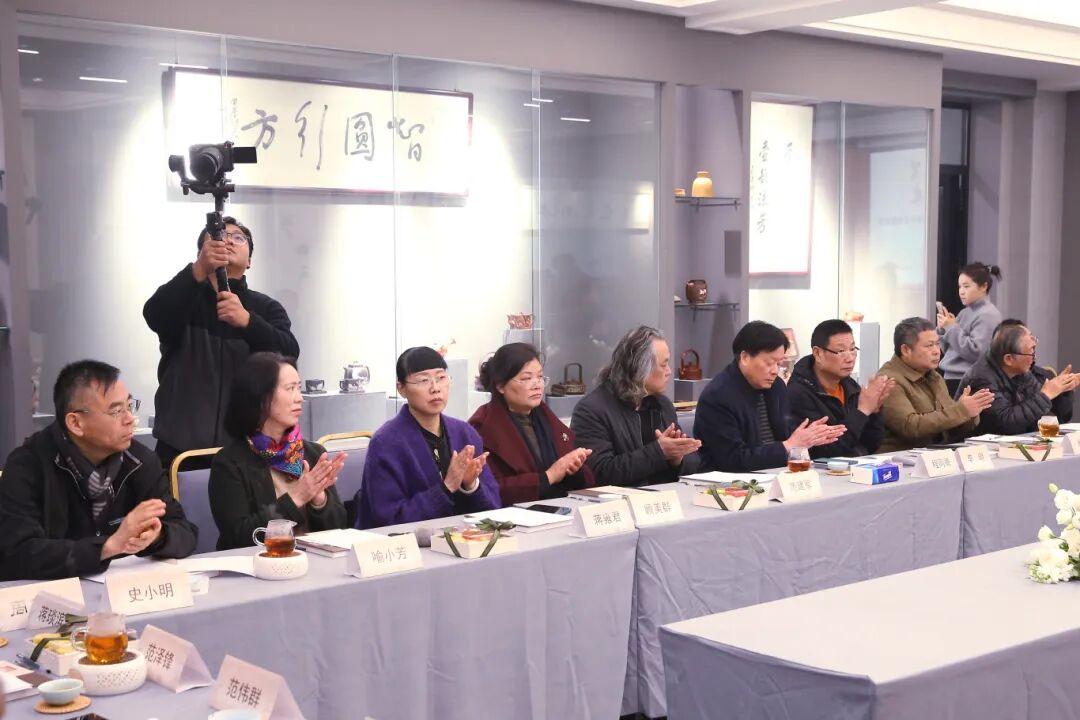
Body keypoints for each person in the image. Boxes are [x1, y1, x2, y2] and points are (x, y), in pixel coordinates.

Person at [0, 360, 197, 581]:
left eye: (130, 406)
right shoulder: (28, 465)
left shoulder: (139, 461)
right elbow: (19, 554)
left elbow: (186, 533)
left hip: (121, 590)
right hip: (51, 591)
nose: (130, 419)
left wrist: (158, 536)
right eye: (116, 411)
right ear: (76, 423)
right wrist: (107, 547)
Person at [143, 217, 300, 471]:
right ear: (202, 252)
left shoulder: (266, 308)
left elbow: (289, 352)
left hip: (249, 450)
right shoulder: (185, 300)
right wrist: (197, 270)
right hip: (180, 451)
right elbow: (154, 314)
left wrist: (248, 322)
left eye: (238, 237)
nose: (227, 240)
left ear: (249, 260)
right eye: (218, 236)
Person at [209, 353, 348, 550]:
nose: (299, 398)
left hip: (313, 561)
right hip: (259, 564)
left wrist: (319, 500)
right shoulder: (230, 462)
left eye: (299, 388)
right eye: (290, 389)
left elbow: (340, 529)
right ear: (261, 396)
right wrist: (296, 498)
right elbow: (238, 536)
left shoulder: (313, 453)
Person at [357, 347, 501, 529]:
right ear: (401, 389)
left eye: (441, 378)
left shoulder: (465, 433)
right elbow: (389, 519)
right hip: (407, 543)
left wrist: (471, 485)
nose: (435, 388)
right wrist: (446, 488)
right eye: (423, 380)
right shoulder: (385, 443)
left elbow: (494, 508)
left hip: (466, 540)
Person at [695, 321, 846, 471]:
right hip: (730, 481)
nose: (775, 371)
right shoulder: (717, 396)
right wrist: (790, 445)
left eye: (779, 364)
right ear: (745, 357)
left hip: (776, 473)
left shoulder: (777, 387)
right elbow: (733, 460)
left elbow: (787, 438)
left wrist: (809, 439)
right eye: (769, 363)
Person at [572, 326, 701, 486]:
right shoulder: (592, 411)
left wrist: (677, 459)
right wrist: (658, 452)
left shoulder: (662, 405)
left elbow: (695, 462)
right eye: (663, 365)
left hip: (665, 497)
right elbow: (598, 474)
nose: (669, 371)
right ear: (641, 368)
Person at [469, 343, 594, 505]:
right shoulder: (482, 427)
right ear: (500, 386)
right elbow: (490, 489)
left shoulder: (546, 416)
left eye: (540, 377)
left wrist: (574, 469)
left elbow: (581, 475)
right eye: (526, 378)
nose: (537, 385)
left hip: (561, 507)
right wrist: (549, 476)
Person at [878, 317, 993, 452]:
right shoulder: (889, 379)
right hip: (899, 457)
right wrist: (960, 410)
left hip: (935, 454)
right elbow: (910, 427)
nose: (937, 351)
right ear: (905, 350)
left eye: (937, 344)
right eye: (929, 346)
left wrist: (969, 413)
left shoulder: (934, 377)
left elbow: (948, 425)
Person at [787, 319, 896, 459]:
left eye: (852, 349)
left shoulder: (850, 386)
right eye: (841, 351)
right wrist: (862, 411)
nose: (850, 358)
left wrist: (874, 410)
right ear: (818, 353)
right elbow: (825, 451)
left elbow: (872, 443)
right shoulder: (799, 393)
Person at [955, 325, 1079, 436]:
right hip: (979, 449)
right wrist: (1045, 395)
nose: (1034, 358)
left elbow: (1060, 416)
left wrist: (1063, 390)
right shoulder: (981, 379)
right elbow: (1005, 424)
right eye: (1031, 352)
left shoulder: (1022, 372)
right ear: (1009, 359)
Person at [937, 262, 1003, 396]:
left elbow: (977, 353)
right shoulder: (965, 313)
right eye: (960, 286)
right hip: (952, 377)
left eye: (966, 286)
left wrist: (951, 328)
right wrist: (943, 329)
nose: (961, 291)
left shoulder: (988, 314)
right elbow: (947, 350)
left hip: (969, 381)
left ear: (984, 286)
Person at [994, 319, 1075, 424]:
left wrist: (1064, 390)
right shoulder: (990, 381)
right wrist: (1044, 395)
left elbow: (1063, 417)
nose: (1033, 344)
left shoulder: (1043, 374)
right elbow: (1007, 423)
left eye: (1032, 338)